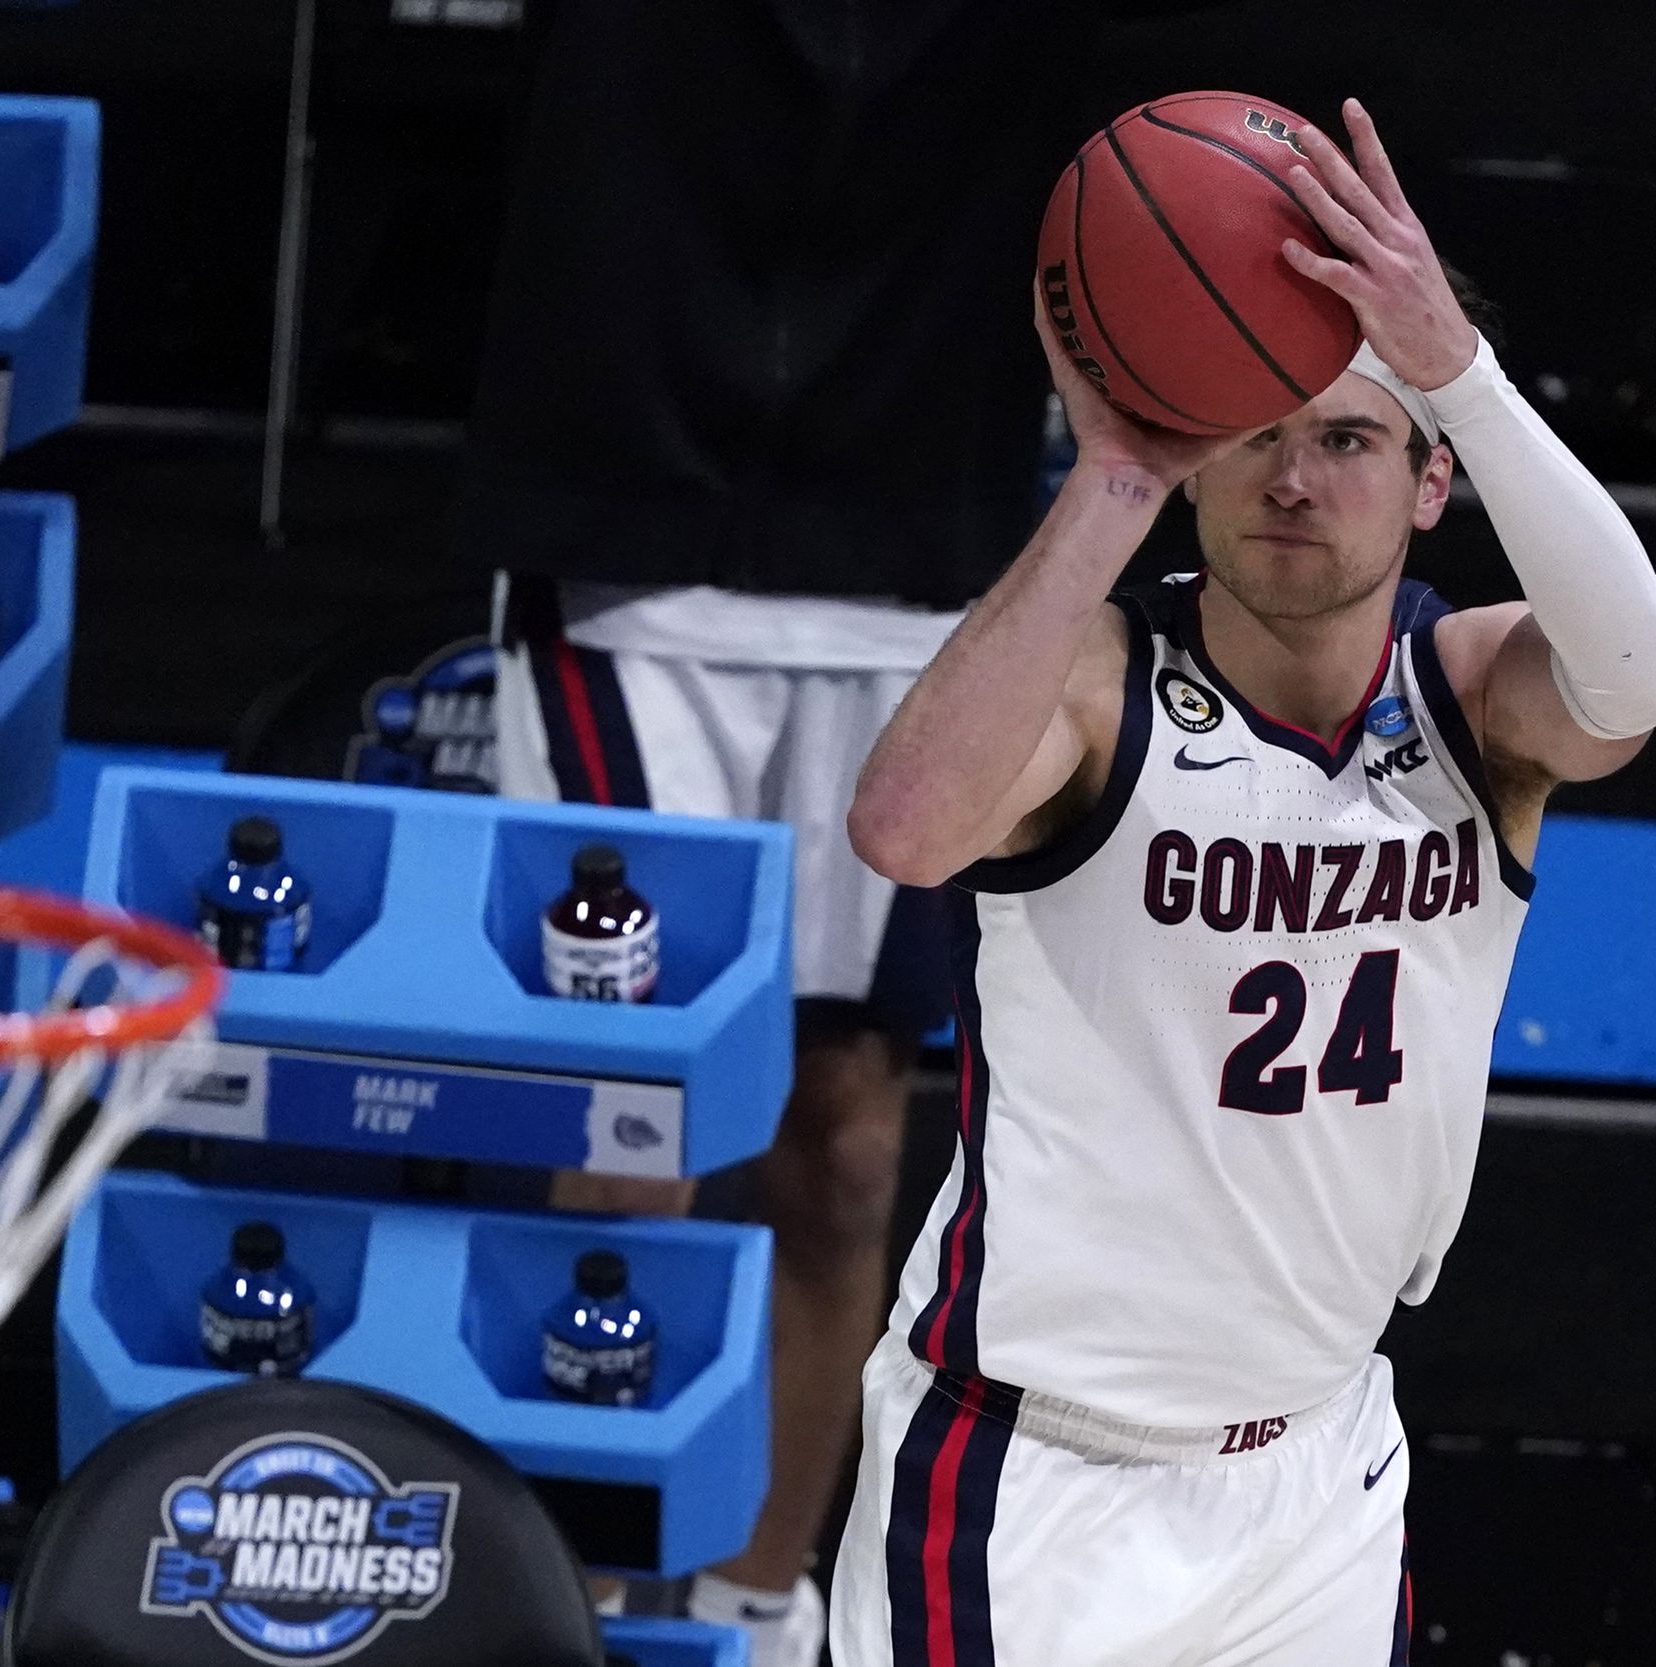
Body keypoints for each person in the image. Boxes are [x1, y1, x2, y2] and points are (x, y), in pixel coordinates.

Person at [828, 100, 1656, 1666]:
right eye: (1257, 433)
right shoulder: (1093, 683)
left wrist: (1464, 377)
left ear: (1432, 483)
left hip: (1318, 1471)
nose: (1295, 480)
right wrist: (1107, 477)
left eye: (1350, 437)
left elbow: (1638, 683)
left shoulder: (1477, 698)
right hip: (1034, 1474)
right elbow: (902, 829)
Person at [459, 5, 1115, 1660]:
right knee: (633, 1135)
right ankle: (584, 1613)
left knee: (842, 1149)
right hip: (633, 559)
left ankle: (758, 1621)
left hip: (915, 562)